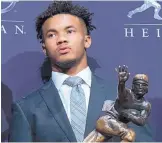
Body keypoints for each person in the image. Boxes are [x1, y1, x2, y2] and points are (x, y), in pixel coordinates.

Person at [9, 1, 154, 142]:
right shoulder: (26, 108)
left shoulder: (122, 96)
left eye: (70, 31)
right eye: (51, 35)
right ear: (44, 48)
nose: (61, 39)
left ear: (87, 40)